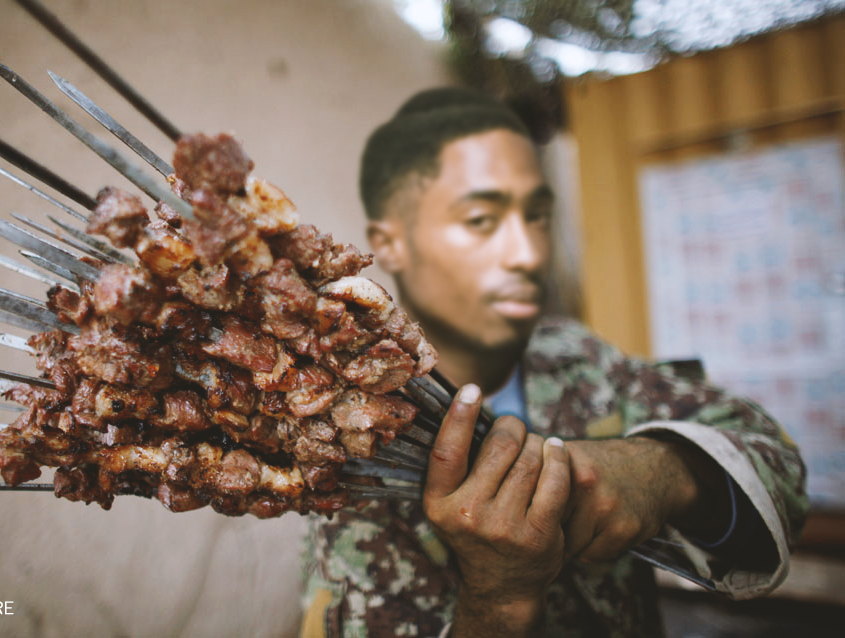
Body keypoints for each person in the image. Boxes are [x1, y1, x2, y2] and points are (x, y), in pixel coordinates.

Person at [300, 88, 809, 637]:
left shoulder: (578, 359)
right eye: (481, 218)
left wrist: (664, 469)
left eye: (538, 216)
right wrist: (498, 602)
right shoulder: (357, 446)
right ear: (391, 243)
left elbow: (775, 460)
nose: (528, 252)